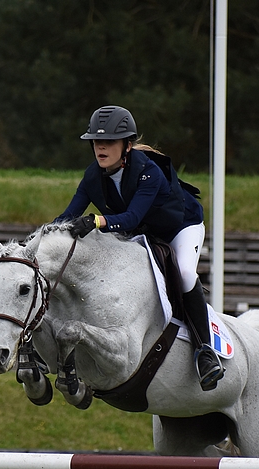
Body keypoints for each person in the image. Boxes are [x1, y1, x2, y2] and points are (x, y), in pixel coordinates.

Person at [56, 105, 224, 391]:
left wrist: (97, 221)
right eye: (97, 142)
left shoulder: (149, 171)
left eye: (108, 142)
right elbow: (67, 216)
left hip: (180, 227)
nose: (101, 147)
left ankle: (205, 352)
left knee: (183, 272)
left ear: (127, 146)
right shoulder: (92, 177)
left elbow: (131, 218)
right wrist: (39, 239)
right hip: (143, 233)